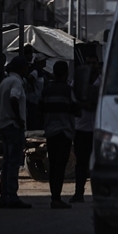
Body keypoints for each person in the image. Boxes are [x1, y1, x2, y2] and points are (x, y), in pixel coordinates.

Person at [41, 61, 78, 209]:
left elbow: (40, 109)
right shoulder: (68, 90)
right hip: (64, 132)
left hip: (50, 132)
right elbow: (76, 110)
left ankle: (54, 197)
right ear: (65, 74)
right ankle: (57, 198)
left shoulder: (46, 90)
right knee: (60, 166)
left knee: (53, 165)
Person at [0, 55, 31, 208]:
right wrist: (18, 119)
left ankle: (4, 196)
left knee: (6, 162)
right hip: (13, 126)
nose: (27, 70)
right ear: (20, 68)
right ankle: (12, 196)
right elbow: (14, 98)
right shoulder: (17, 82)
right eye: (25, 67)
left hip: (4, 125)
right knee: (13, 162)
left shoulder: (4, 82)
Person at [70, 68, 99, 203]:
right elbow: (72, 101)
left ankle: (97, 194)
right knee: (81, 163)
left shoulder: (102, 82)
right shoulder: (77, 83)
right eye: (89, 64)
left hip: (97, 129)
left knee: (97, 164)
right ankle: (79, 193)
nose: (91, 67)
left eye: (93, 64)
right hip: (81, 128)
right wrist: (84, 105)